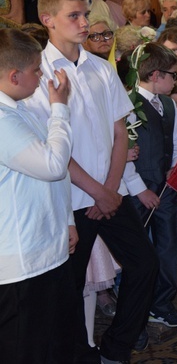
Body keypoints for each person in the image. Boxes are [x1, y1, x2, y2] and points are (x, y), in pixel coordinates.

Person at [27, 0, 159, 363]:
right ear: (48, 19)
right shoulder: (40, 74)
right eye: (75, 16)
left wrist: (112, 189)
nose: (85, 22)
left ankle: (116, 348)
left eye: (86, 14)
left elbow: (119, 131)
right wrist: (99, 193)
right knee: (68, 285)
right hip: (72, 200)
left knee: (144, 264)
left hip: (109, 194)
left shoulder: (101, 68)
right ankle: (77, 354)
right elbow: (55, 148)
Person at [0, 28, 76, 362]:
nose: (42, 74)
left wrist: (67, 222)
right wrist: (60, 108)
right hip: (22, 261)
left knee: (51, 345)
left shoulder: (19, 109)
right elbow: (53, 164)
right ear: (14, 76)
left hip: (46, 248)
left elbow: (54, 177)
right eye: (36, 69)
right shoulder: (3, 120)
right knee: (25, 350)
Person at [121, 43, 177, 328]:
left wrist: (174, 168)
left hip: (165, 186)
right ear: (156, 75)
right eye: (172, 75)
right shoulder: (128, 103)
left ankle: (162, 302)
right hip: (139, 190)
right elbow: (122, 152)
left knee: (167, 247)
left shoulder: (170, 104)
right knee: (138, 253)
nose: (175, 81)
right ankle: (133, 312)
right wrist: (139, 188)